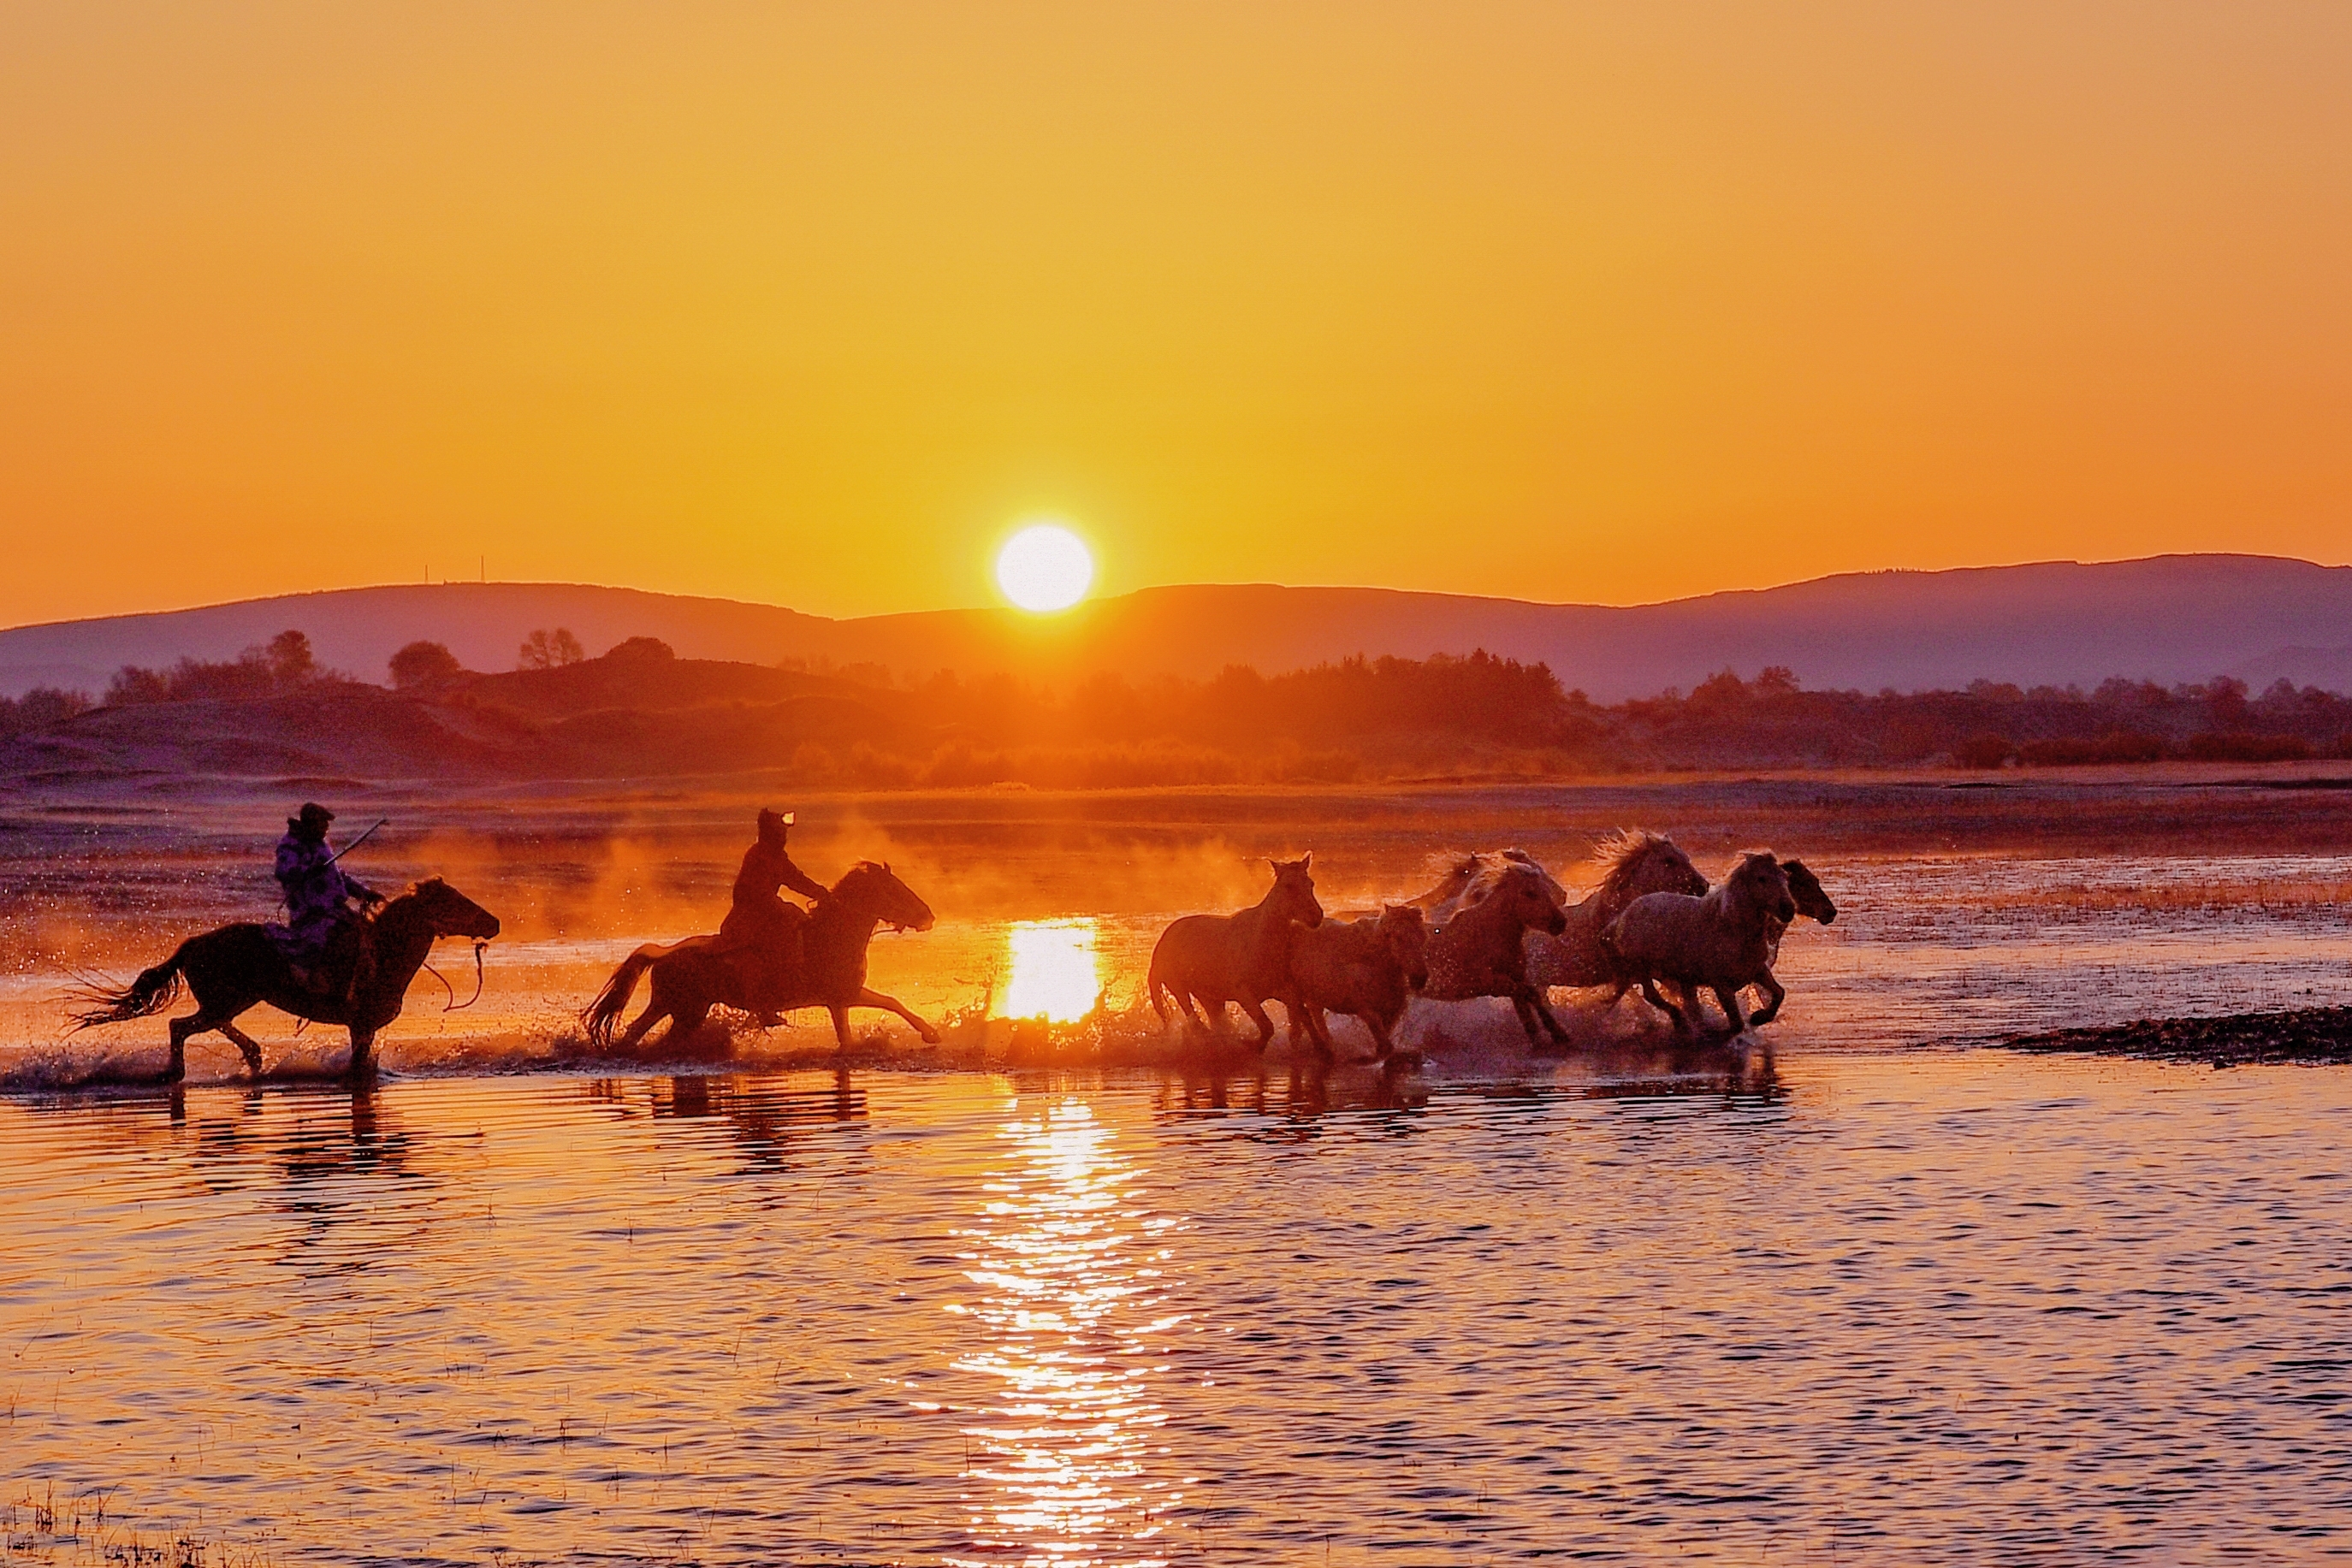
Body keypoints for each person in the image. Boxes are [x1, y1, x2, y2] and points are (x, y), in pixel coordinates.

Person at [714, 808, 827, 1016]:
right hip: (747, 919)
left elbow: (797, 880)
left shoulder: (776, 857)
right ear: (770, 833)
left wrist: (824, 894)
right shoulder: (758, 856)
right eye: (781, 832)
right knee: (778, 943)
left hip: (765, 914)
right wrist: (785, 909)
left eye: (784, 833)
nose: (784, 836)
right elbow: (754, 894)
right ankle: (763, 1004)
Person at [269, 802, 383, 1004]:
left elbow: (338, 876)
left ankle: (356, 985)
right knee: (325, 940)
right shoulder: (290, 845)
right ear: (311, 824)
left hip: (335, 909)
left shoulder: (321, 844)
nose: (326, 829)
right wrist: (308, 870)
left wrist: (365, 893)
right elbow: (283, 872)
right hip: (311, 912)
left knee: (367, 935)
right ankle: (314, 983)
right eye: (323, 824)